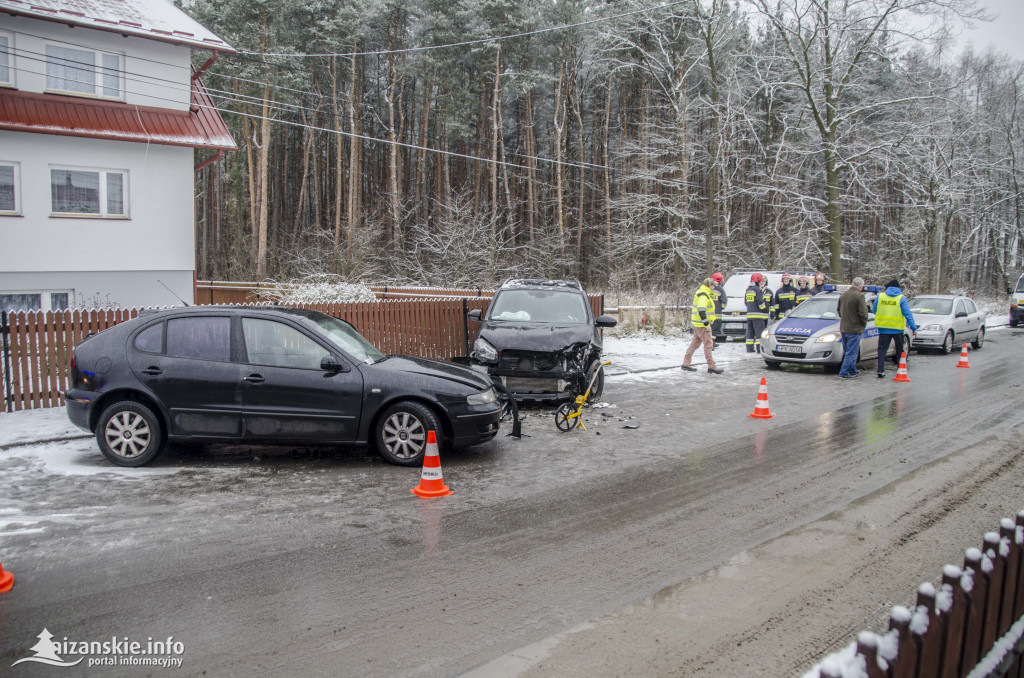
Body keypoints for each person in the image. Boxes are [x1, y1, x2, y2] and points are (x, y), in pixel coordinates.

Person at [872, 277, 918, 378]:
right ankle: (900, 368)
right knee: (899, 349)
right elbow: (908, 314)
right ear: (898, 288)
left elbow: (874, 309)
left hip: (883, 328)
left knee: (882, 350)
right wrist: (914, 328)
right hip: (897, 329)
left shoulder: (880, 297)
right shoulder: (901, 298)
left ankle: (880, 370)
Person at [681, 277, 724, 374]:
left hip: (698, 323)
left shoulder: (703, 292)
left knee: (695, 343)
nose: (714, 287)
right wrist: (706, 323)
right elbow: (701, 309)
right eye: (713, 285)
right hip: (702, 324)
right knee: (708, 344)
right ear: (710, 285)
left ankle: (686, 363)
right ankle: (711, 366)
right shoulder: (704, 295)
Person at [837, 277, 869, 379]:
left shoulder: (843, 295)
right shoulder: (859, 296)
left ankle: (852, 370)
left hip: (844, 327)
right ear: (860, 286)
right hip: (854, 329)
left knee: (847, 351)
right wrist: (863, 324)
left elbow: (838, 310)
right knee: (851, 353)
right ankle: (844, 372)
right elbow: (863, 313)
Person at [744, 273, 769, 353]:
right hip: (758, 316)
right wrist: (765, 309)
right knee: (759, 333)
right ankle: (759, 349)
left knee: (750, 333)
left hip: (749, 315)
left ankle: (749, 348)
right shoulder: (758, 290)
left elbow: (746, 302)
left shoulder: (748, 290)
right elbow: (760, 302)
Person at [710, 272, 727, 344]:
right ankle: (712, 343)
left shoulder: (708, 289)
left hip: (708, 314)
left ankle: (710, 343)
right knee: (715, 329)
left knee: (710, 329)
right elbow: (724, 303)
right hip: (717, 314)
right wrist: (721, 308)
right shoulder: (720, 289)